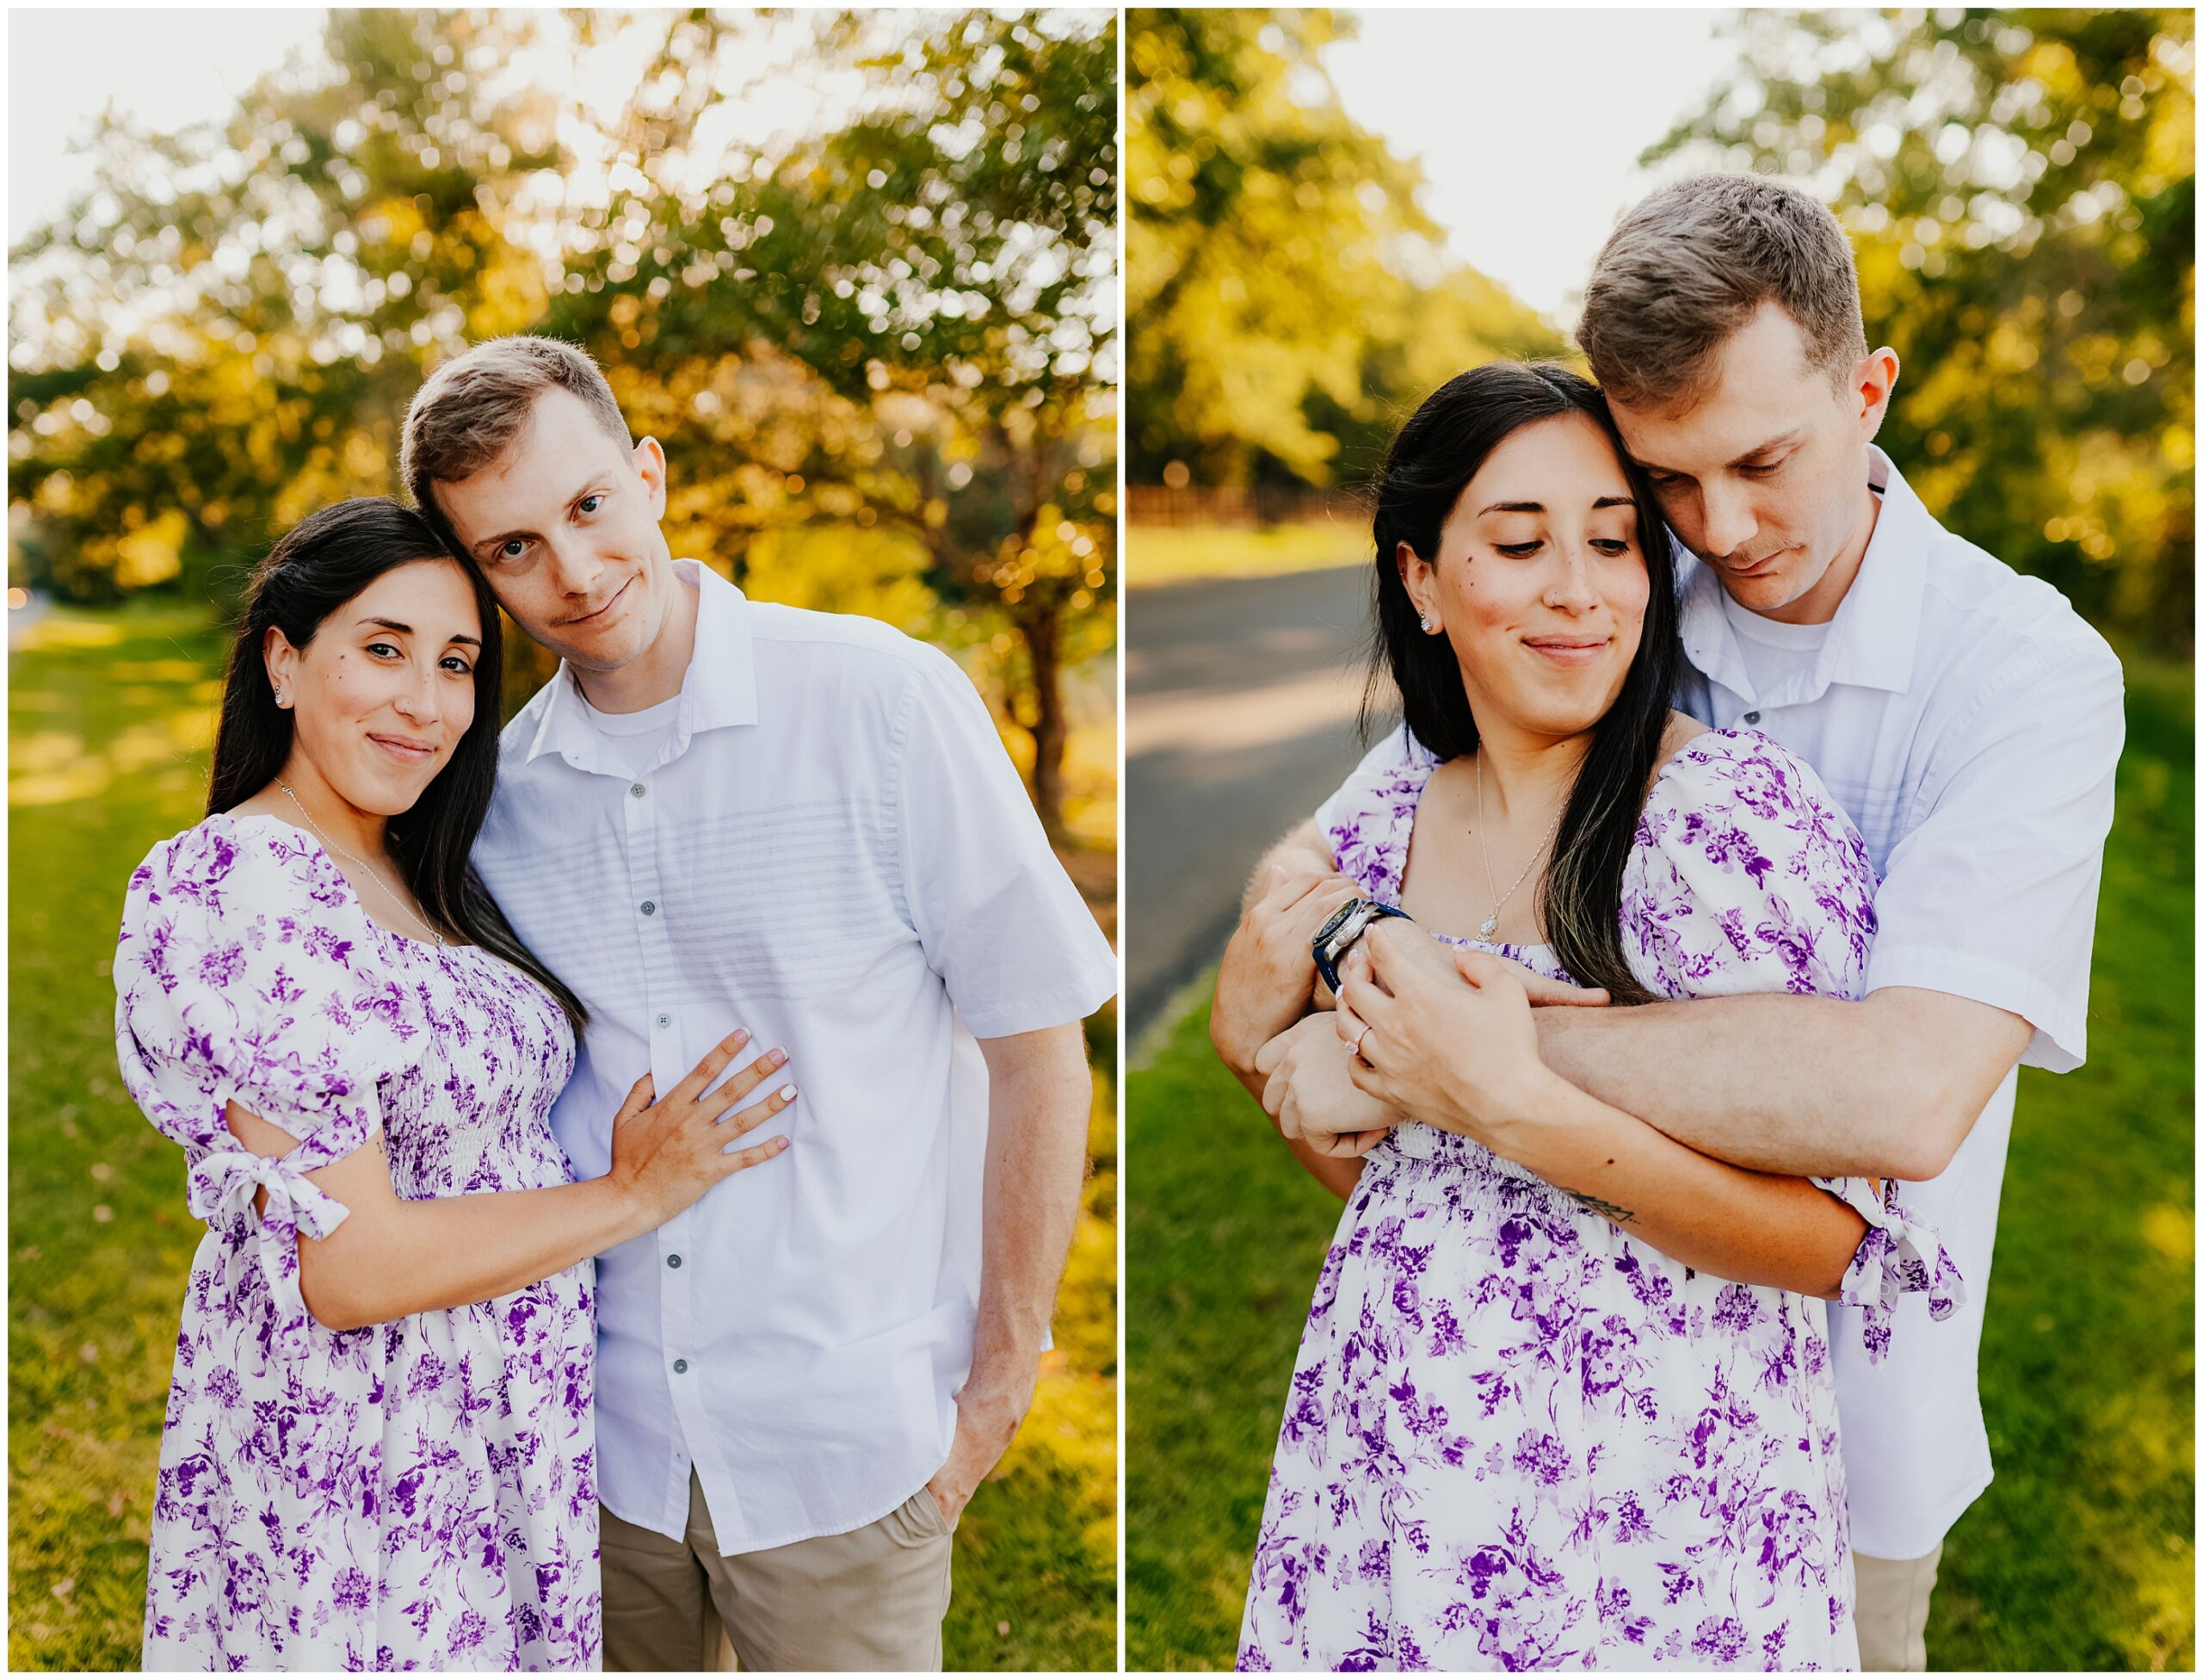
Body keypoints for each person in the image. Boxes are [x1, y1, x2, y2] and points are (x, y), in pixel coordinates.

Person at [1216, 175, 2123, 1671]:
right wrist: (1348, 972)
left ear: (1870, 388)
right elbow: (1311, 876)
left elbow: (1896, 1097)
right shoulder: (1619, 589)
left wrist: (1436, 1056)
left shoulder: (2022, 673)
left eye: (1764, 462)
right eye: (1673, 483)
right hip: (1485, 1409)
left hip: (1826, 1426)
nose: (1725, 528)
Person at [398, 337, 1118, 1672]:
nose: (571, 571)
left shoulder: (884, 702)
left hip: (848, 1449)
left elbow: (1039, 1044)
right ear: (475, 573)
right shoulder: (490, 802)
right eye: (511, 550)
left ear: (651, 475)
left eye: (589, 506)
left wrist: (996, 1393)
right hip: (595, 1458)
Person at [114, 499, 795, 1670]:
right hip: (364, 1448)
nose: (424, 703)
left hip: (493, 1433)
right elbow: (351, 1266)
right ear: (283, 660)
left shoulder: (425, 868)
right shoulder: (244, 885)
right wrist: (634, 1197)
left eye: (458, 662)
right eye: (382, 649)